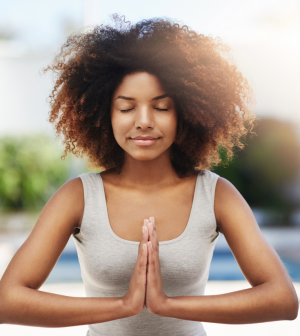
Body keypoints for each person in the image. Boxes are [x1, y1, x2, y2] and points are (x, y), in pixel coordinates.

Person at [0, 16, 298, 336]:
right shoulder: (78, 196)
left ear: (185, 113)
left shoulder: (215, 195)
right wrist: (123, 305)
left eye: (161, 107)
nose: (143, 121)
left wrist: (167, 305)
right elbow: (7, 302)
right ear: (105, 114)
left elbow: (282, 299)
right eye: (127, 107)